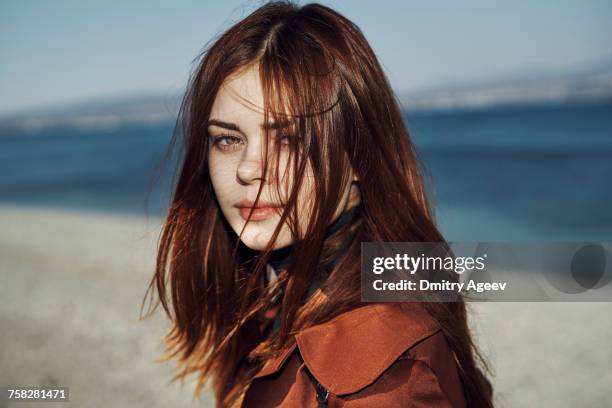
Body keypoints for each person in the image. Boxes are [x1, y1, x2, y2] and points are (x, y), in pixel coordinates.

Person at [142, 1, 493, 407]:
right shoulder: (290, 303)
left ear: (360, 157)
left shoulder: (389, 379)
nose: (248, 169)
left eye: (289, 138)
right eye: (228, 139)